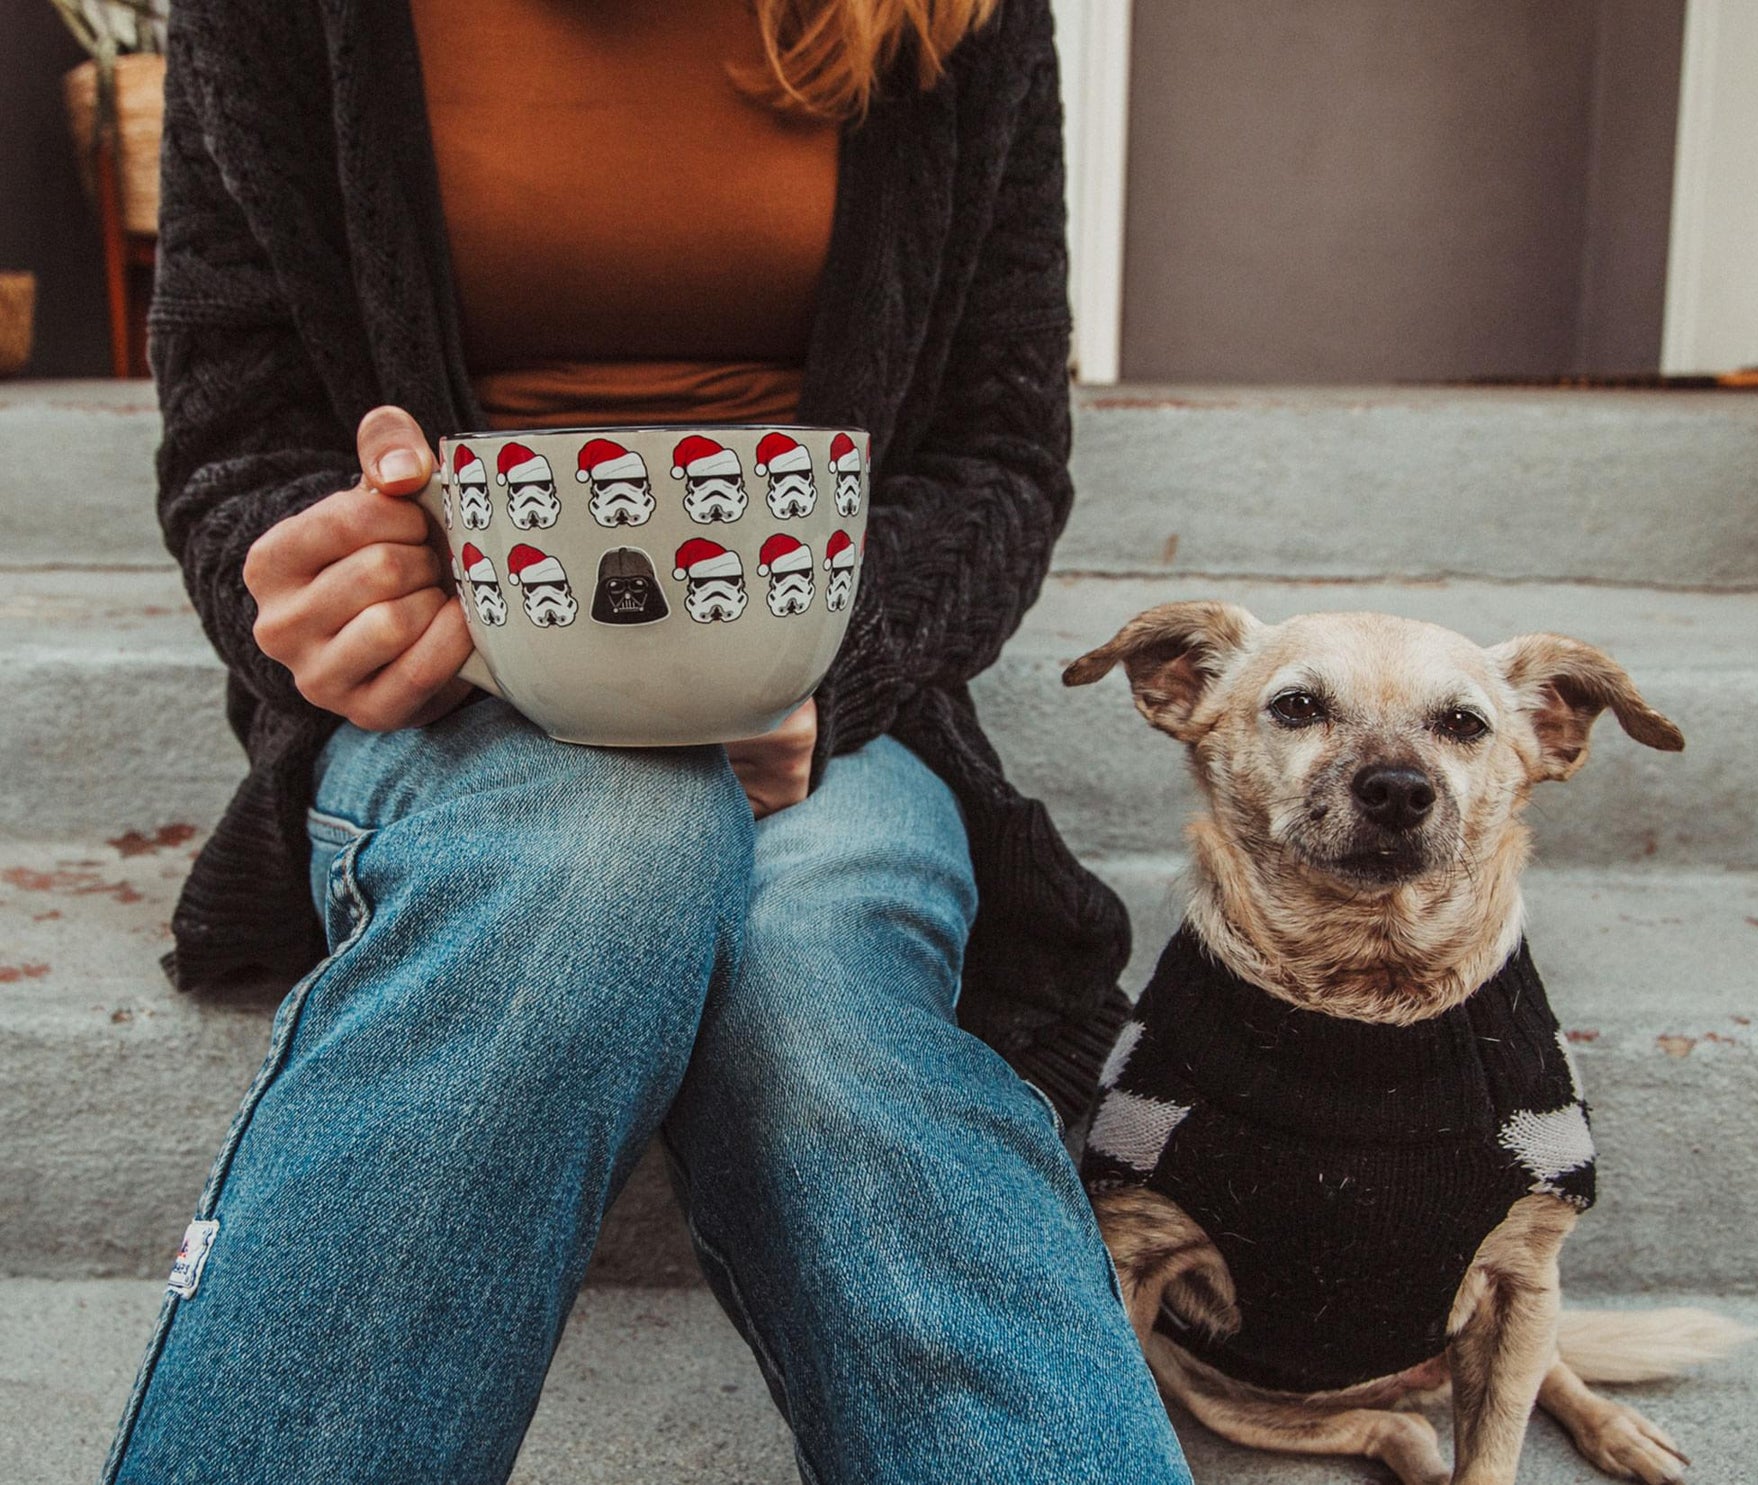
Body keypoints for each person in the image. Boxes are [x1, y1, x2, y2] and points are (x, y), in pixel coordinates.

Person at [102, 1, 1191, 1481]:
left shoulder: (954, 17)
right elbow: (233, 435)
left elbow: (1001, 453)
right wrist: (314, 576)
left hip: (822, 707)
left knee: (819, 998)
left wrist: (828, 662)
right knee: (613, 842)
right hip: (465, 700)